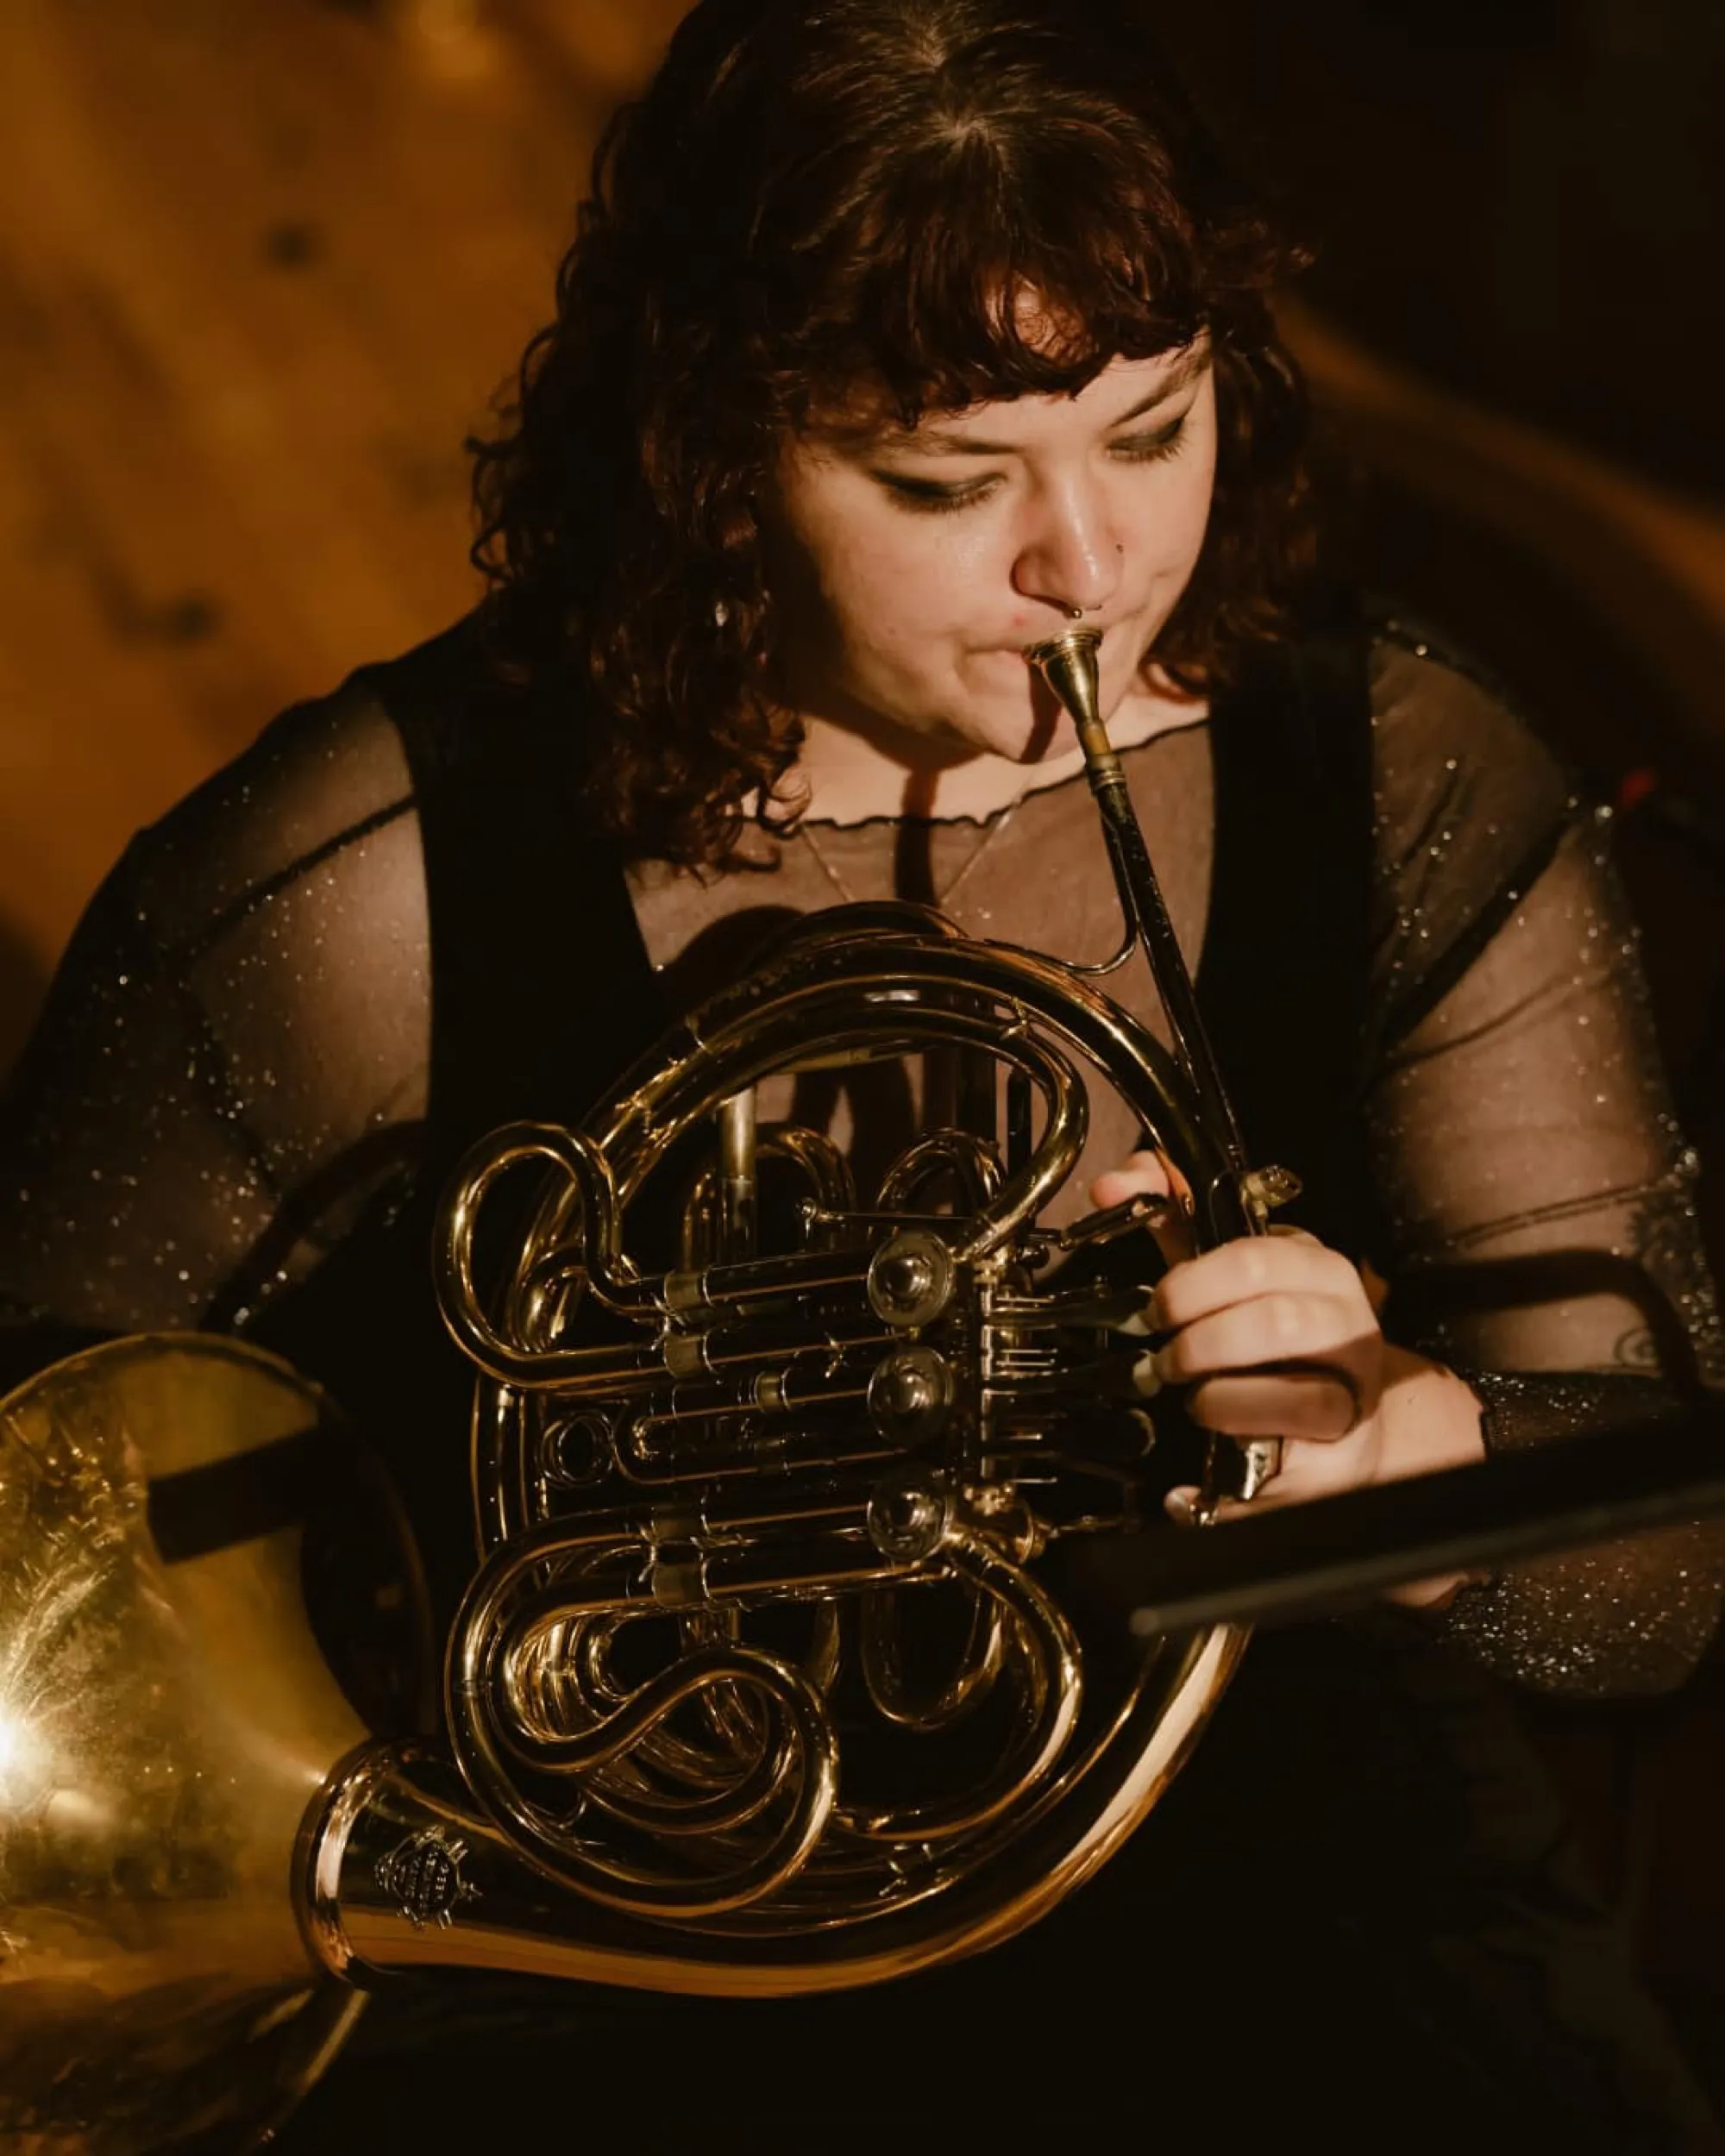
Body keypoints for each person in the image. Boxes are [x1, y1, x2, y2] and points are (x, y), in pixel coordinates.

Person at [1, 0, 1721, 2144]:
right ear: (710, 451)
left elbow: (1652, 1584)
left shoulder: (1397, 773)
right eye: (944, 477)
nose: (1085, 569)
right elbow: (45, 1558)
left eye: (1151, 427)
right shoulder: (350, 891)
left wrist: (1416, 1461)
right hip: (594, 1929)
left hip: (1286, 1873)